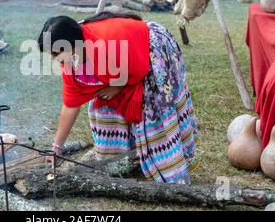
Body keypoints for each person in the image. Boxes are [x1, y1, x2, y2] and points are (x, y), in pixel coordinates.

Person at [38, 12, 199, 184]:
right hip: (124, 63)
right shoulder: (71, 63)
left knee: (151, 107)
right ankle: (122, 158)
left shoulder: (106, 43)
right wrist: (57, 147)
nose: (56, 60)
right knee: (103, 103)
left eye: (56, 54)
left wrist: (117, 86)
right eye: (52, 55)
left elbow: (139, 68)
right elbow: (70, 105)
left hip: (148, 49)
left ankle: (168, 166)